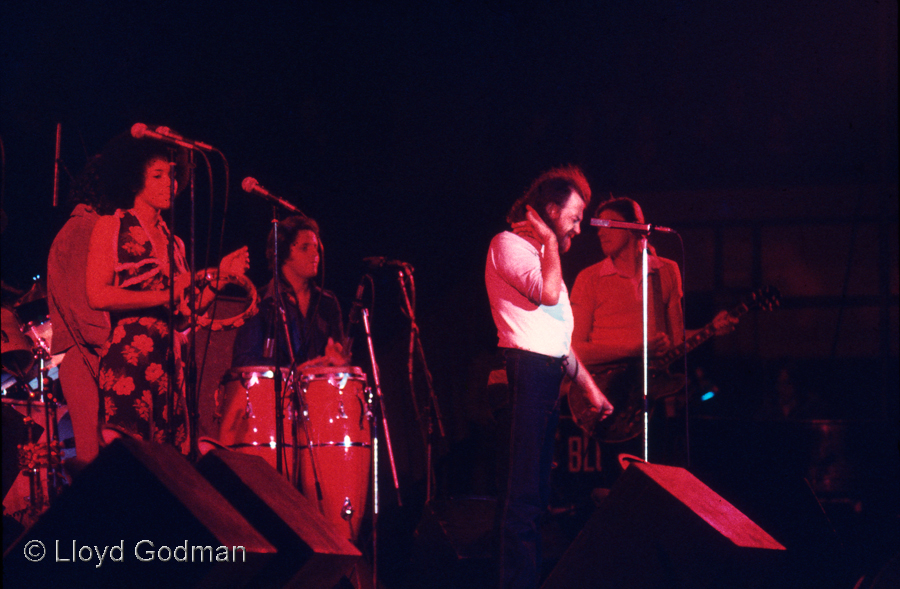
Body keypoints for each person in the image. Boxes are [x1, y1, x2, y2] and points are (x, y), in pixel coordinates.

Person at [485, 165, 613, 589]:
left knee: (537, 498)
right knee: (522, 499)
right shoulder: (508, 246)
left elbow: (559, 340)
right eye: (574, 218)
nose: (578, 229)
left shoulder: (545, 256)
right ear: (550, 210)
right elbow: (549, 294)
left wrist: (591, 390)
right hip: (523, 374)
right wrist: (546, 240)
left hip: (544, 374)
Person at [85, 132, 249, 448]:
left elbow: (186, 315)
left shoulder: (175, 244)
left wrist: (221, 277)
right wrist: (168, 294)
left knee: (170, 468)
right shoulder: (112, 226)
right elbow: (97, 294)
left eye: (174, 175)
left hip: (171, 366)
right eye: (158, 175)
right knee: (131, 460)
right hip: (130, 359)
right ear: (135, 180)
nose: (169, 183)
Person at [569, 197, 735, 455]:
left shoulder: (666, 271)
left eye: (608, 224)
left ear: (636, 228)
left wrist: (711, 328)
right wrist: (636, 349)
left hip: (650, 401)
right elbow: (575, 349)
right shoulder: (589, 279)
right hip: (606, 397)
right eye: (597, 225)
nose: (600, 231)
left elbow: (675, 341)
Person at [47, 155, 112, 465]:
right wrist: (108, 344)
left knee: (96, 457)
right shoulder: (87, 228)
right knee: (96, 459)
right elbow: (82, 301)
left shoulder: (77, 227)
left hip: (82, 353)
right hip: (87, 354)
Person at [231, 215, 345, 369]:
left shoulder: (328, 302)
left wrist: (339, 359)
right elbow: (244, 361)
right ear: (283, 254)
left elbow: (337, 357)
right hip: (277, 392)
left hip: (321, 391)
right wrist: (293, 373)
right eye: (305, 247)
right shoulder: (260, 301)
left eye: (316, 247)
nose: (315, 254)